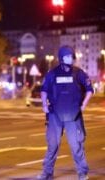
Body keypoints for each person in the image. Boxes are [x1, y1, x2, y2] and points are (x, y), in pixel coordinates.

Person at [37, 45, 93, 180]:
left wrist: (84, 105)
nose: (71, 59)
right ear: (61, 58)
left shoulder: (79, 73)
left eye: (71, 56)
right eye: (68, 56)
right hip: (55, 114)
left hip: (73, 115)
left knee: (76, 146)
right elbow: (44, 90)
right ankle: (47, 173)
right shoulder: (52, 73)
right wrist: (44, 105)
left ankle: (82, 172)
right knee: (52, 146)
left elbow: (89, 90)